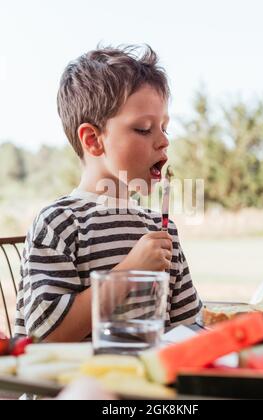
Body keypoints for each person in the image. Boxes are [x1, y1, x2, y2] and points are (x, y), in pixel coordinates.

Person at [15, 44, 202, 342]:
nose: (164, 141)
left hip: (141, 386)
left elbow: (187, 327)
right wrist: (130, 272)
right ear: (93, 140)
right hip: (69, 387)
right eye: (143, 129)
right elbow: (45, 333)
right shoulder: (61, 223)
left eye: (165, 128)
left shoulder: (161, 229)